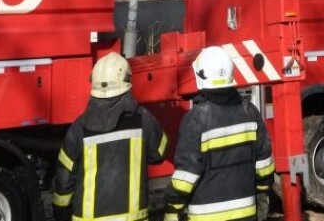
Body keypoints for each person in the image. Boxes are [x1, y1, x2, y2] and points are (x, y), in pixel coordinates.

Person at [52, 52, 167, 221]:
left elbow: (63, 182)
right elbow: (159, 154)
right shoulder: (143, 119)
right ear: (127, 81)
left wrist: (61, 215)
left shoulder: (79, 128)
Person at [165, 46, 275, 221]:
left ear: (200, 75)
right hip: (246, 215)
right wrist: (262, 194)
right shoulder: (250, 112)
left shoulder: (195, 120)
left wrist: (172, 206)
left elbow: (186, 177)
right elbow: (264, 164)